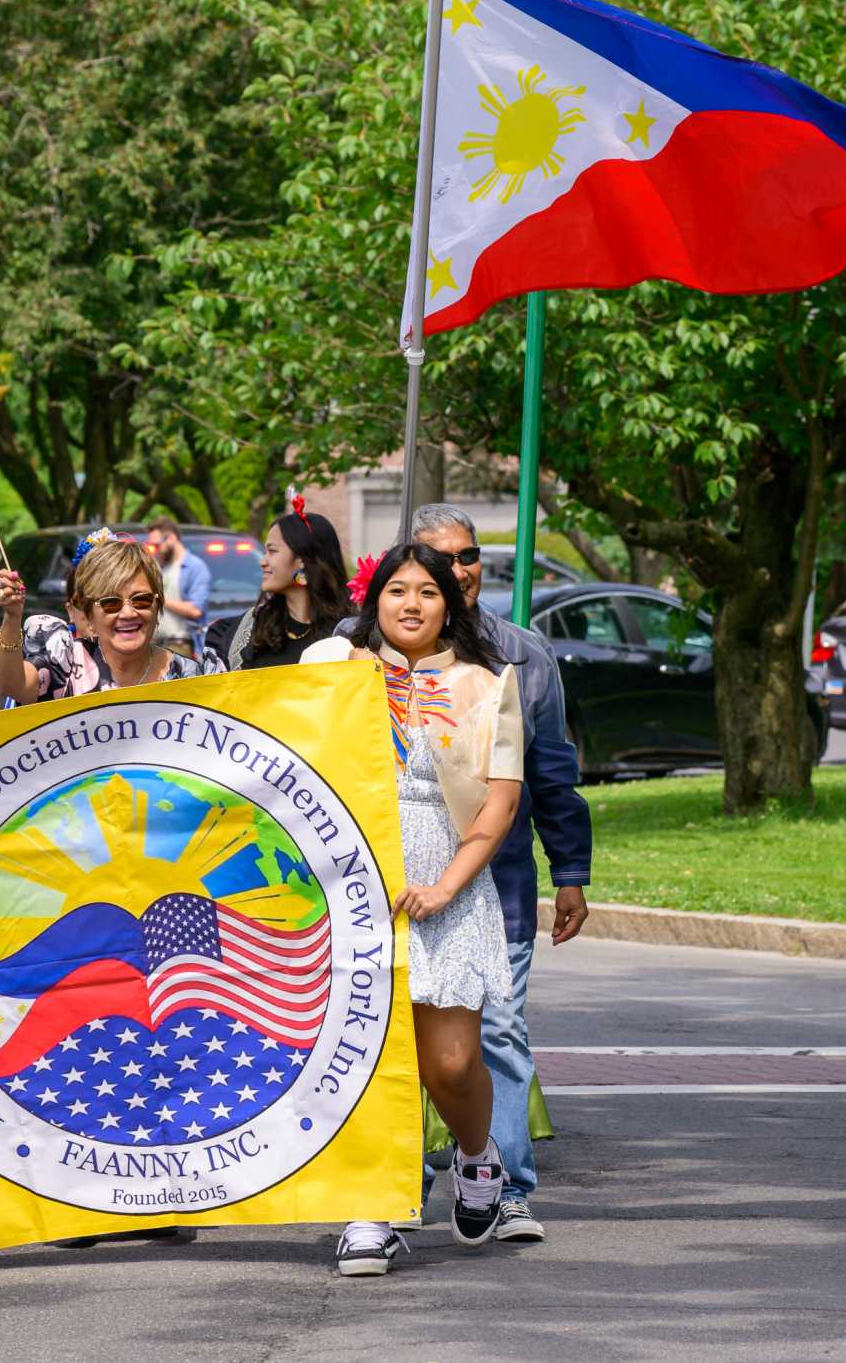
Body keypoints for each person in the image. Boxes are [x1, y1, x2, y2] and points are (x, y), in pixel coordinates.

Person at [303, 543, 523, 1276]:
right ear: (375, 600)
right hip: (353, 888)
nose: (411, 604)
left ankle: (475, 1157)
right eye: (396, 590)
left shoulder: (489, 688)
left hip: (445, 884)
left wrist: (447, 885)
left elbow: (498, 804)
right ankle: (375, 1207)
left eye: (427, 591)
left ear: (449, 603)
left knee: (449, 1063)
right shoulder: (339, 674)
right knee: (366, 1053)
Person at [406, 503, 592, 1244]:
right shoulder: (371, 659)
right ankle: (398, 1182)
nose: (461, 570)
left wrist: (569, 870)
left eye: (470, 555)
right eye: (441, 558)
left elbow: (552, 772)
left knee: (500, 1032)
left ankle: (507, 1186)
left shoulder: (522, 655)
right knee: (404, 1040)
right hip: (396, 887)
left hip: (500, 887)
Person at [0, 529, 224, 707]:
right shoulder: (66, 666)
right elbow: (12, 684)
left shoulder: (191, 678)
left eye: (141, 600)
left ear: (157, 605)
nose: (128, 613)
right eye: (111, 603)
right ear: (90, 615)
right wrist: (12, 617)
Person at [203, 494, 352, 669]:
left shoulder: (352, 632)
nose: (262, 561)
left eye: (272, 551)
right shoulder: (243, 633)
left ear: (302, 559)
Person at [143, 518, 211, 657]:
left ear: (172, 538)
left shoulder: (194, 567)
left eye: (156, 545)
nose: (155, 550)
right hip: (156, 643)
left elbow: (196, 610)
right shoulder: (162, 567)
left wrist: (160, 598)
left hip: (180, 644)